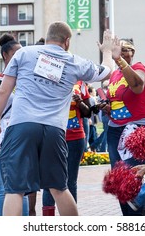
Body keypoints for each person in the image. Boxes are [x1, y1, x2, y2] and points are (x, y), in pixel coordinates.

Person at [0, 22, 118, 216]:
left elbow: (4, 91)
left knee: (14, 189)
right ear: (67, 42)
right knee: (59, 188)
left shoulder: (24, 54)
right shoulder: (74, 61)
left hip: (22, 125)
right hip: (54, 129)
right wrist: (107, 51)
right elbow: (108, 70)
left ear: (47, 37)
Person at [104, 38, 145, 216]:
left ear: (133, 52)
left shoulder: (139, 68)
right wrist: (107, 108)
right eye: (120, 49)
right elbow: (118, 102)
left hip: (138, 129)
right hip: (115, 129)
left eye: (128, 49)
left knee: (130, 176)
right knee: (118, 179)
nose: (125, 52)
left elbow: (137, 87)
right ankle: (128, 218)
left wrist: (120, 60)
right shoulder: (114, 75)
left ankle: (137, 216)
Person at [0, 33, 31, 216]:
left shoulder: (27, 78)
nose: (20, 57)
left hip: (23, 135)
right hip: (1, 137)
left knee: (23, 187)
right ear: (5, 56)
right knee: (5, 187)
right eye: (16, 53)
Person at [42, 80, 92, 216]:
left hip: (75, 138)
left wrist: (80, 101)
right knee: (49, 181)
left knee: (70, 182)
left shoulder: (80, 84)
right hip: (51, 137)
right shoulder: (48, 78)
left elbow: (88, 113)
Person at [89, 80, 109, 152]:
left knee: (106, 132)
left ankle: (96, 145)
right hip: (107, 115)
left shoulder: (100, 93)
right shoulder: (105, 93)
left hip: (105, 115)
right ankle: (100, 148)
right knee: (106, 132)